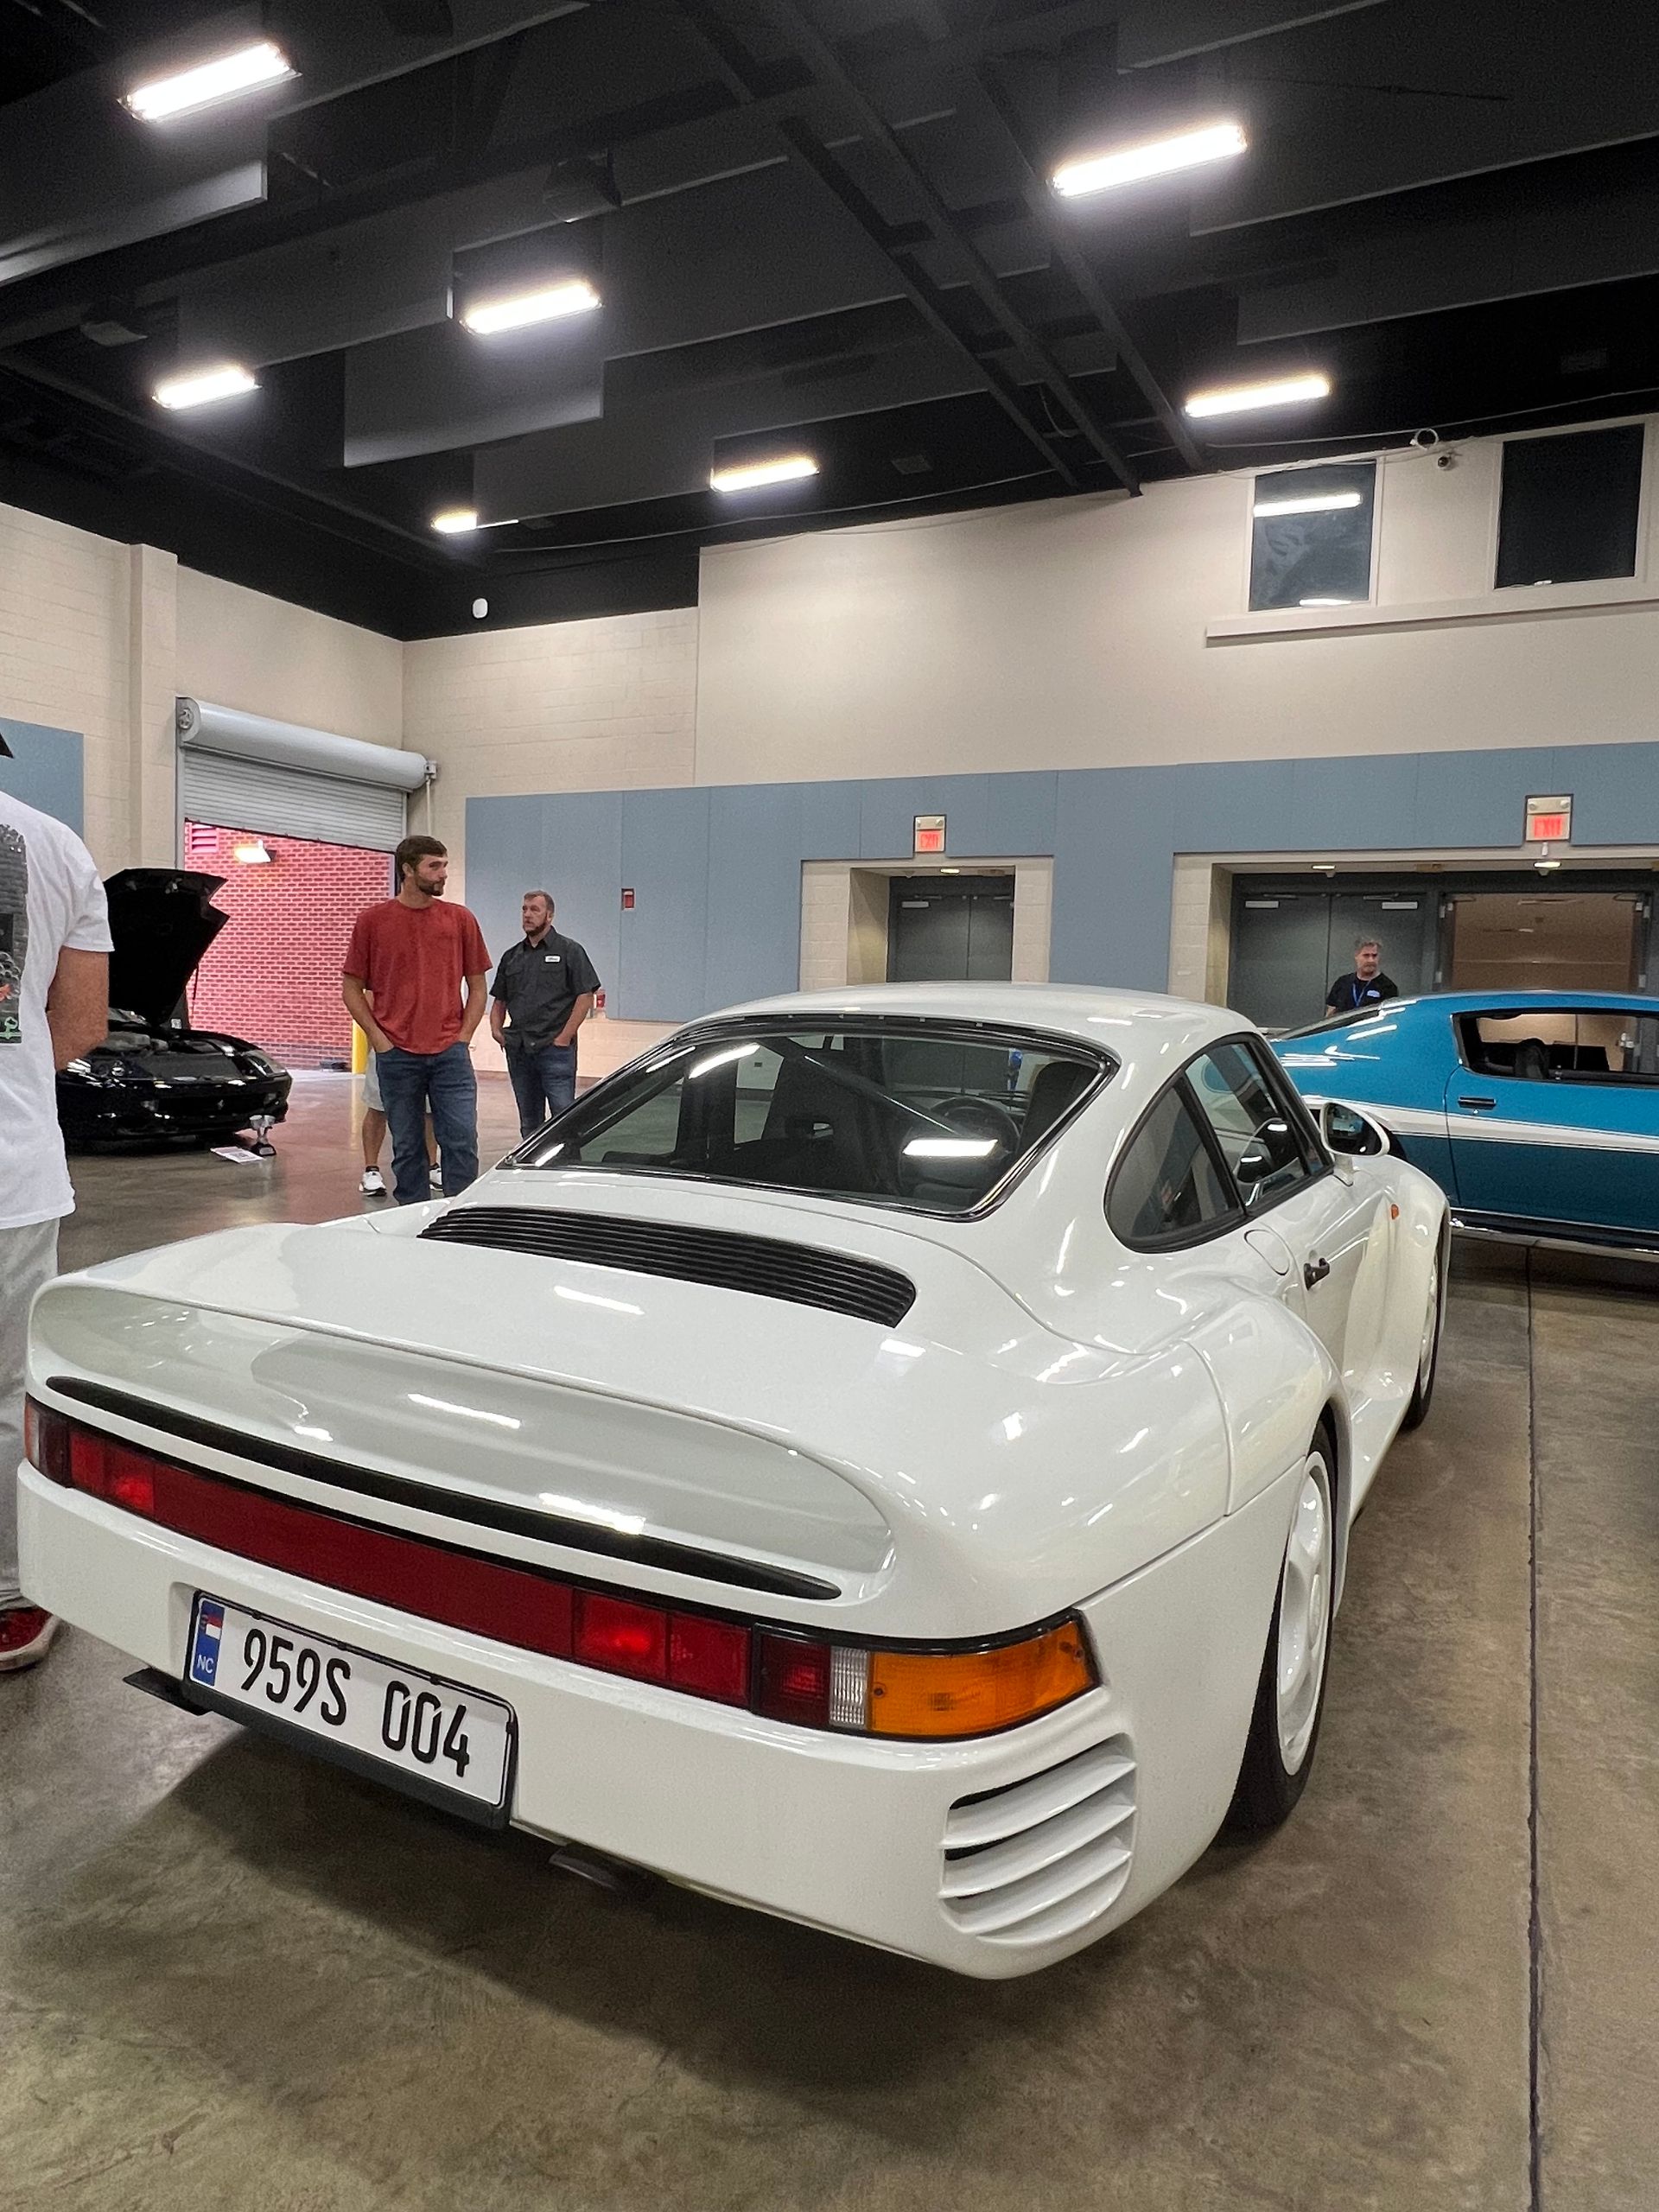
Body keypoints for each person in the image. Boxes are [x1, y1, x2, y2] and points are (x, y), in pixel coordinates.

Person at [1, 753, 112, 1674]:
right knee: (9, 1390)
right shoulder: (57, 846)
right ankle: (10, 1592)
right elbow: (81, 1024)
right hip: (13, 1170)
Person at [342, 836, 490, 1205]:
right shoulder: (373, 921)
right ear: (408, 870)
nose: (443, 874)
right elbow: (351, 989)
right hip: (397, 1055)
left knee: (461, 1140)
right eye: (434, 866)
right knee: (407, 1147)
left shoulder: (460, 919)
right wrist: (380, 1041)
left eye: (445, 865)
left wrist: (463, 1037)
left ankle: (460, 1217)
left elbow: (477, 986)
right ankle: (412, 1215)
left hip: (450, 1054)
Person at [489, 888, 601, 1137]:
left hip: (555, 1051)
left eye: (535, 910)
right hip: (519, 1050)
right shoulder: (512, 957)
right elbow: (500, 999)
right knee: (529, 1122)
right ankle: (532, 1162)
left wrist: (564, 1037)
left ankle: (566, 1161)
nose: (527, 915)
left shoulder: (570, 951)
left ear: (549, 916)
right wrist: (497, 1031)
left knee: (563, 1120)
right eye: (524, 909)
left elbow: (585, 996)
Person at [355, 988, 438, 1198]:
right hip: (389, 1047)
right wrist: (377, 1040)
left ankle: (431, 1166)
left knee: (429, 1110)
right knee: (378, 1107)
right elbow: (367, 998)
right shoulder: (387, 969)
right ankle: (371, 1170)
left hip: (429, 1046)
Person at [1325, 936, 1399, 1016]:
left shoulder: (1388, 987)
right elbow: (1330, 1014)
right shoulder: (1342, 982)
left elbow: (1389, 1017)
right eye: (1366, 955)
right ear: (1356, 956)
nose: (1371, 960)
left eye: (1374, 956)